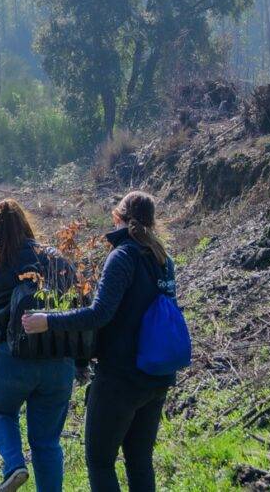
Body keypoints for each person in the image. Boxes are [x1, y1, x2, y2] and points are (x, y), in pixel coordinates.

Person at [23, 191, 178, 492]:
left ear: (118, 217)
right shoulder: (162, 258)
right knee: (139, 460)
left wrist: (48, 320)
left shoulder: (123, 256)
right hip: (158, 375)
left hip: (122, 376)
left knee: (99, 461)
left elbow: (99, 314)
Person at [0, 199, 78, 492]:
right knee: (47, 442)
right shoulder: (54, 258)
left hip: (11, 357)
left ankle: (14, 465)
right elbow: (79, 302)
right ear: (26, 223)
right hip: (57, 357)